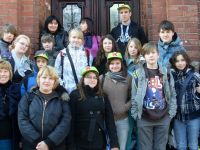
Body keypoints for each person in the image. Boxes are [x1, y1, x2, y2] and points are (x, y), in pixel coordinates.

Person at [131, 42, 177, 150]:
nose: (151, 55)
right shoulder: (137, 74)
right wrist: (136, 115)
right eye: (147, 53)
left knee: (160, 147)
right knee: (145, 147)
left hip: (163, 117)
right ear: (143, 56)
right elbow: (133, 96)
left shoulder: (166, 73)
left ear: (158, 55)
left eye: (153, 53)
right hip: (144, 117)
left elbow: (172, 93)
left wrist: (170, 114)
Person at [18, 66, 71, 150]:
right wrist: (37, 141)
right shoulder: (28, 97)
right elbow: (22, 120)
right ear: (39, 79)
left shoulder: (61, 100)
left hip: (55, 146)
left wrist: (49, 142)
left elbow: (65, 122)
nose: (47, 81)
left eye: (51, 78)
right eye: (44, 77)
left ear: (55, 82)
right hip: (32, 145)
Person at [69, 66, 119, 150]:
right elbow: (70, 122)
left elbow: (110, 121)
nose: (92, 80)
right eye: (88, 77)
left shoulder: (103, 96)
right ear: (83, 79)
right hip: (80, 140)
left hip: (98, 140)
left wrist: (114, 144)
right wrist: (71, 146)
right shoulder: (75, 95)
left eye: (95, 77)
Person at [101, 52, 132, 150]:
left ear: (121, 64)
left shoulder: (128, 78)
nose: (115, 66)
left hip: (122, 120)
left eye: (117, 63)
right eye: (112, 63)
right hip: (105, 121)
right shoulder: (102, 78)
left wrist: (125, 107)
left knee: (121, 147)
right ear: (108, 65)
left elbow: (134, 97)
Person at [170, 51, 200, 150]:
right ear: (174, 63)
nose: (180, 63)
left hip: (194, 116)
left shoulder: (195, 75)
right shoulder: (171, 76)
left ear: (187, 61)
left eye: (182, 60)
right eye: (177, 61)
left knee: (193, 145)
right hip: (178, 118)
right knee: (181, 146)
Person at [54, 28, 89, 93]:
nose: (76, 40)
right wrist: (63, 87)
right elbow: (56, 74)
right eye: (74, 37)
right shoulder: (62, 54)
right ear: (69, 38)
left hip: (83, 92)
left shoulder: (87, 54)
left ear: (82, 40)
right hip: (67, 92)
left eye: (79, 38)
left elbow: (89, 73)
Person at [0, 60, 21, 150]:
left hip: (9, 134)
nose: (3, 74)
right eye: (0, 71)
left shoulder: (16, 89)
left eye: (5, 71)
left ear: (10, 73)